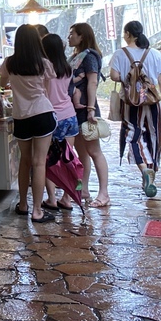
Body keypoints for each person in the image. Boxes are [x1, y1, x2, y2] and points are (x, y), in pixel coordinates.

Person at [0, 24, 57, 223]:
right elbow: (47, 90)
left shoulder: (10, 62)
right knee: (39, 162)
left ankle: (23, 205)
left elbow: (1, 83)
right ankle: (38, 211)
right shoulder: (44, 64)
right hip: (42, 114)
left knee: (25, 161)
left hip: (21, 116)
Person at [109, 20, 161, 198]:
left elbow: (114, 75)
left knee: (133, 137)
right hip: (153, 103)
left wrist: (129, 78)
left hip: (131, 103)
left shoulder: (121, 54)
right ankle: (151, 174)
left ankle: (144, 170)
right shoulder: (154, 53)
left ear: (128, 34)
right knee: (154, 137)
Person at [68, 23, 110, 208]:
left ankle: (104, 193)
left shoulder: (89, 56)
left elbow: (92, 83)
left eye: (72, 34)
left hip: (86, 108)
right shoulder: (75, 56)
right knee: (81, 152)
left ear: (81, 36)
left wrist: (91, 109)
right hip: (75, 110)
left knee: (94, 151)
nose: (69, 37)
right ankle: (83, 189)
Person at [41, 33, 79, 210]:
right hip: (70, 116)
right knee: (68, 157)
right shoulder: (68, 68)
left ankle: (51, 199)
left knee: (48, 159)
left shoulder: (45, 69)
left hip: (52, 117)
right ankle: (67, 198)